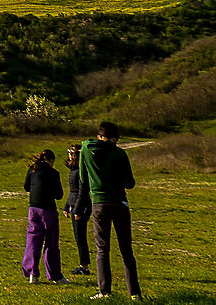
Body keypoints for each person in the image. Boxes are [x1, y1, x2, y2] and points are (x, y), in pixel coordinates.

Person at [78, 121, 138, 299]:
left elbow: (83, 179)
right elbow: (130, 183)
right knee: (126, 249)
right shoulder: (119, 153)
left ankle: (105, 291)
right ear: (114, 139)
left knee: (102, 249)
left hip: (99, 203)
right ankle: (134, 293)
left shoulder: (86, 150)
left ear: (99, 136)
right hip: (119, 202)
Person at [23, 148, 68, 283]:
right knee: (51, 243)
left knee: (33, 241)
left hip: (33, 209)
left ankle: (32, 273)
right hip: (48, 210)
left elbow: (26, 187)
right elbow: (59, 195)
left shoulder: (32, 169)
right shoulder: (54, 173)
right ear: (51, 160)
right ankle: (55, 275)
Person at [63, 142, 92, 275]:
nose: (69, 153)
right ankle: (83, 265)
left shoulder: (82, 170)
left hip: (81, 206)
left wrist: (77, 210)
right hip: (74, 204)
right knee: (77, 236)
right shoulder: (74, 169)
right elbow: (72, 190)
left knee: (81, 237)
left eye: (71, 151)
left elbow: (82, 191)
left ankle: (84, 267)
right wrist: (66, 206)